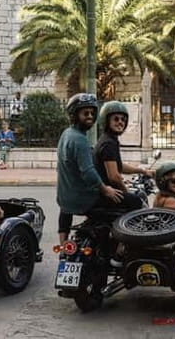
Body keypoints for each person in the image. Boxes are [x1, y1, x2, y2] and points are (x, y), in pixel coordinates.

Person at [56, 93, 125, 244]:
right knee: (134, 202)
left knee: (65, 211)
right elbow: (88, 172)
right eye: (85, 113)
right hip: (86, 200)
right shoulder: (80, 140)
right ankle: (121, 248)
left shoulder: (66, 134)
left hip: (65, 199)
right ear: (75, 115)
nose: (90, 117)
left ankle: (63, 246)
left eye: (92, 113)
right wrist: (106, 189)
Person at [94, 101, 152, 195]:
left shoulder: (109, 139)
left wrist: (142, 171)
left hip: (106, 192)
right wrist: (126, 191)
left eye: (123, 119)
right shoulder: (108, 143)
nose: (120, 122)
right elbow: (114, 177)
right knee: (138, 199)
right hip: (108, 194)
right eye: (116, 119)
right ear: (106, 121)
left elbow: (119, 166)